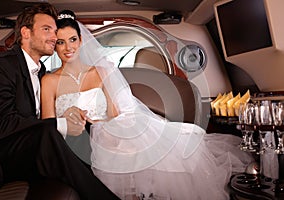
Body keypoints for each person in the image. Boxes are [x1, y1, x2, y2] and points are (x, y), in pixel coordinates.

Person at [41, 10, 254, 200]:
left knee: (126, 146)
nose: (67, 47)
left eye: (72, 39)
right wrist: (67, 118)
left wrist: (93, 121)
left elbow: (115, 113)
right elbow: (47, 125)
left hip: (102, 131)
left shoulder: (100, 72)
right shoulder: (49, 81)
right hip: (70, 140)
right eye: (60, 42)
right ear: (54, 45)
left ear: (80, 41)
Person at [0, 3, 120, 200]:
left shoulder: (40, 72)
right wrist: (61, 123)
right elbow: (2, 126)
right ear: (26, 33)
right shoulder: (2, 66)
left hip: (27, 152)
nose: (54, 37)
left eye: (54, 31)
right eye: (46, 29)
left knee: (84, 131)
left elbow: (38, 118)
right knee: (50, 131)